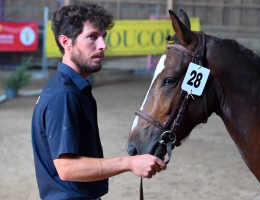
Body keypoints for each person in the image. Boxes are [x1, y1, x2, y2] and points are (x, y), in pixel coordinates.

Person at [31, 2, 166, 200]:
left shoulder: (74, 89)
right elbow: (67, 168)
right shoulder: (64, 96)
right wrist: (129, 163)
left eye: (103, 36)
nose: (103, 45)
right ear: (65, 42)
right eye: (92, 37)